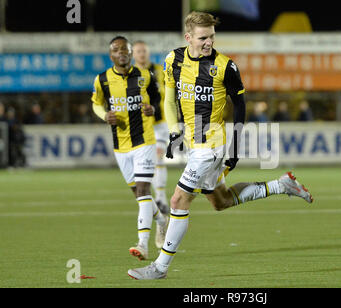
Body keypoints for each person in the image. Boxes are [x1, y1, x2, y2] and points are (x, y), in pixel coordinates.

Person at [127, 11, 313, 281]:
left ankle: (160, 267)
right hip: (192, 141)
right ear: (188, 37)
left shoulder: (226, 66)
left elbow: (240, 106)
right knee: (220, 201)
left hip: (211, 144)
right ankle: (281, 185)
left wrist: (235, 146)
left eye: (212, 37)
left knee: (179, 200)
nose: (208, 42)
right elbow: (169, 100)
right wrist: (174, 133)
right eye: (203, 37)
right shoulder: (173, 59)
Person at [91, 36, 168, 262]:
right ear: (111, 55)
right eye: (116, 49)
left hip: (144, 141)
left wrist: (152, 109)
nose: (121, 52)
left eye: (125, 49)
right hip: (120, 146)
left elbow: (156, 100)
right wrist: (104, 114)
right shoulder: (102, 80)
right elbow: (96, 103)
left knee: (144, 191)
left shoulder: (145, 76)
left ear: (131, 53)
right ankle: (162, 221)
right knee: (139, 194)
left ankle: (142, 244)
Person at [132, 41, 171, 244]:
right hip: (140, 127)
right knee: (139, 178)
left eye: (144, 50)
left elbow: (168, 93)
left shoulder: (159, 71)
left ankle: (162, 198)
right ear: (133, 54)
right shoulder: (130, 74)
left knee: (158, 156)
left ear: (148, 52)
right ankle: (160, 219)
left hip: (160, 123)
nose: (141, 54)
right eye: (138, 51)